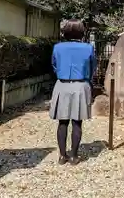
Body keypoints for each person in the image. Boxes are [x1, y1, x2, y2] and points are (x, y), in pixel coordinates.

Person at [49, 19, 96, 165]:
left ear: (65, 32)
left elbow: (54, 65)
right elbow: (92, 67)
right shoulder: (88, 48)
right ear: (82, 32)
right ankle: (74, 156)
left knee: (62, 122)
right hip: (81, 85)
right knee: (77, 122)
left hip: (62, 85)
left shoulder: (57, 47)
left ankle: (62, 156)